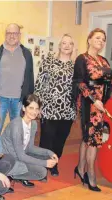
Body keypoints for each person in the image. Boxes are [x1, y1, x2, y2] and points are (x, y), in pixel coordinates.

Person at [73, 28, 112, 192]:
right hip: (89, 104)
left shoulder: (104, 61)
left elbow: (111, 80)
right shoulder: (82, 58)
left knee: (88, 138)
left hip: (101, 105)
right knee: (93, 139)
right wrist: (94, 100)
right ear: (89, 39)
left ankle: (80, 168)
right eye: (97, 38)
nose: (101, 41)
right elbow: (79, 82)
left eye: (103, 39)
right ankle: (90, 174)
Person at [34, 34, 77, 177]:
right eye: (64, 43)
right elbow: (39, 84)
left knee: (60, 140)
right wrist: (37, 105)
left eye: (70, 44)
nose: (66, 46)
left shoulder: (75, 66)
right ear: (59, 45)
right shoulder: (48, 62)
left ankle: (54, 163)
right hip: (49, 109)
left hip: (68, 111)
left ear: (72, 47)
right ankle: (42, 166)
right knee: (47, 138)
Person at [1, 94, 58, 187]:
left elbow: (30, 148)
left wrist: (49, 152)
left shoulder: (33, 124)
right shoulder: (17, 125)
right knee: (41, 172)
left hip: (20, 155)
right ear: (24, 108)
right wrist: (44, 163)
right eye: (31, 108)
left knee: (47, 157)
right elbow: (21, 156)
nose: (34, 112)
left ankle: (20, 174)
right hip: (9, 159)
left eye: (37, 109)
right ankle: (11, 174)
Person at [0, 23, 34, 134]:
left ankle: (12, 151)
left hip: (19, 100)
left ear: (19, 35)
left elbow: (30, 77)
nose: (12, 36)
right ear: (5, 35)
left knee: (16, 132)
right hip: (0, 98)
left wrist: (29, 100)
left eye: (15, 33)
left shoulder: (26, 53)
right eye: (9, 33)